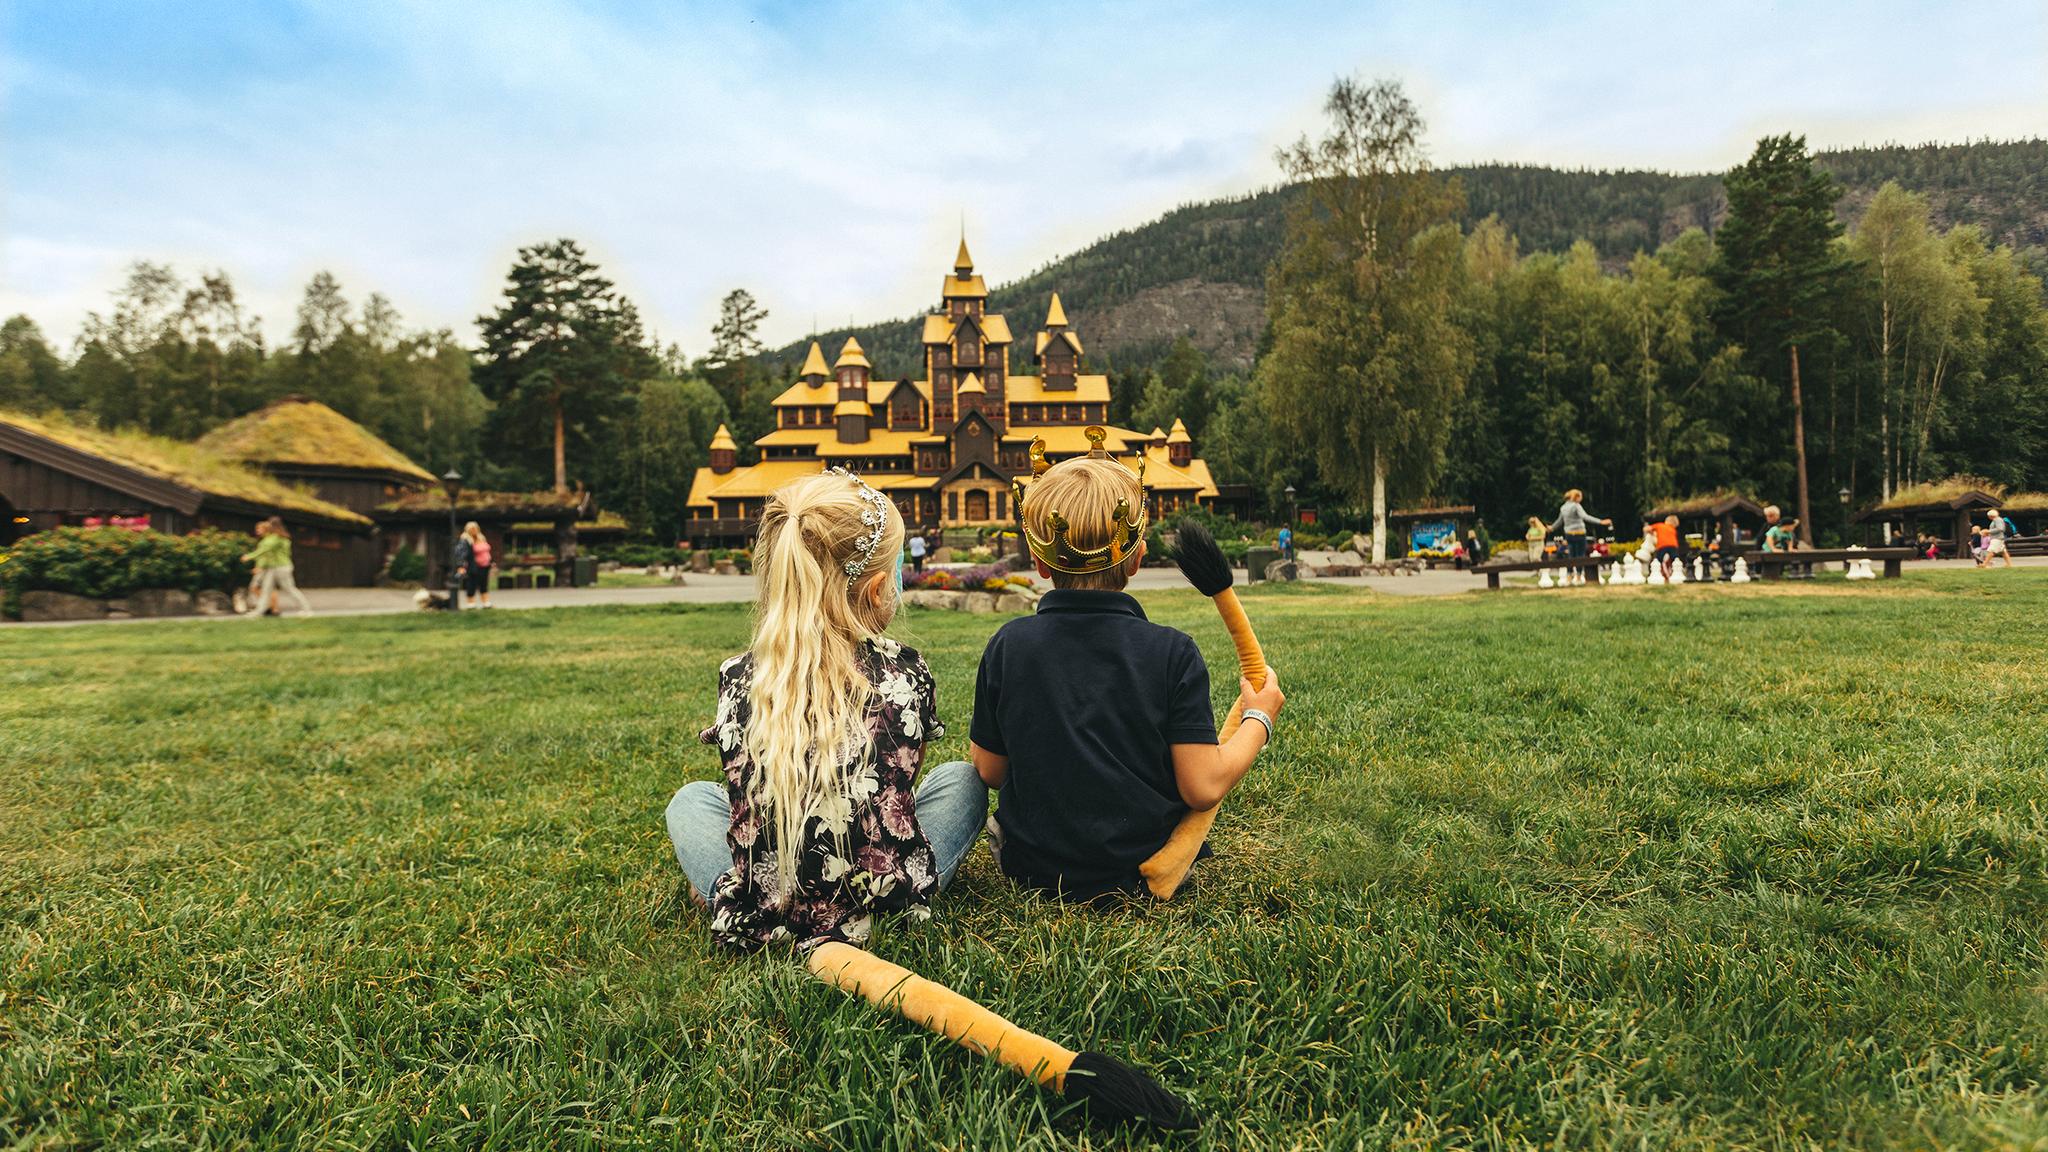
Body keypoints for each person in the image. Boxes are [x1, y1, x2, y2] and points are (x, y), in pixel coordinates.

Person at [663, 469, 986, 950]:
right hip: (882, 896)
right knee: (962, 779)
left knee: (690, 800)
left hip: (771, 903)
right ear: (878, 590)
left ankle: (723, 894)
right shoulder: (906, 671)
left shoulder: (740, 676)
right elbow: (895, 793)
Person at [970, 454, 1286, 901]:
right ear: (1137, 557)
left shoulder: (1007, 644)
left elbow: (989, 770)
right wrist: (1259, 718)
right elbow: (1202, 787)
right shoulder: (1173, 652)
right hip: (1144, 869)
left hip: (1030, 869)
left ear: (1040, 564)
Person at [240, 517, 313, 617]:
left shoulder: (277, 538)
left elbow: (265, 549)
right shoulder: (278, 537)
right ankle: (259, 612)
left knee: (289, 589)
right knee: (266, 589)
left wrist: (249, 556)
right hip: (273, 568)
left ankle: (307, 610)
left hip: (281, 567)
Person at [1548, 489, 1612, 558]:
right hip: (1580, 534)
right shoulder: (1576, 506)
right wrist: (1601, 522)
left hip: (1569, 534)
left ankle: (1570, 569)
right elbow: (1585, 517)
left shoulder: (1563, 507)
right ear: (1577, 497)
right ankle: (1579, 569)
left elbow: (1559, 521)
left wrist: (1552, 527)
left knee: (1571, 555)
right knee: (1580, 556)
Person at [456, 521, 495, 608]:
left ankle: (486, 602)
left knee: (484, 583)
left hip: (485, 565)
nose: (474, 530)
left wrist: (491, 561)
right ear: (468, 530)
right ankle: (471, 603)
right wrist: (460, 566)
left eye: (475, 528)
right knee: (472, 584)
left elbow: (486, 552)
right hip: (474, 566)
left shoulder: (482, 538)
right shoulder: (465, 540)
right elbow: (461, 554)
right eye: (472, 529)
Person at [1650, 514, 1682, 580]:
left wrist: (1652, 533)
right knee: (1675, 561)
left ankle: (1661, 574)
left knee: (1658, 561)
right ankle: (1672, 574)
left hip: (1662, 545)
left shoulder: (1659, 525)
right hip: (1673, 546)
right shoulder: (1673, 529)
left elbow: (1646, 528)